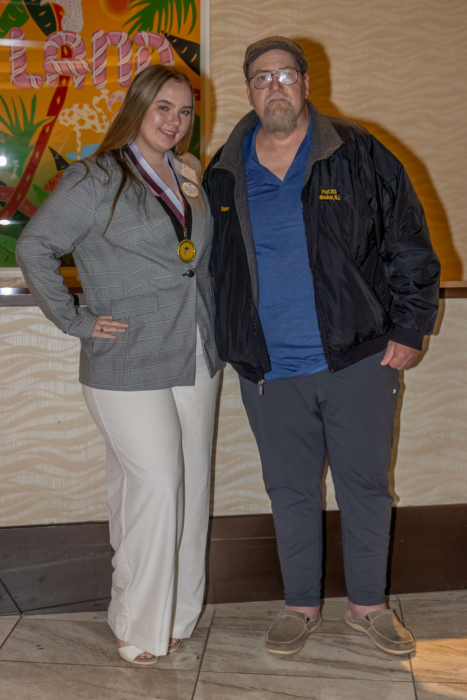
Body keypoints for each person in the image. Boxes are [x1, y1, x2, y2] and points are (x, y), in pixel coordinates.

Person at [203, 36, 440, 657]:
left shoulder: (357, 151)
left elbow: (409, 242)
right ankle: (300, 606)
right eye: (261, 78)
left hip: (357, 358)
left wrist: (410, 327)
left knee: (366, 489)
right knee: (291, 492)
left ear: (306, 83)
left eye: (285, 74)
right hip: (268, 370)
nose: (274, 87)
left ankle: (368, 607)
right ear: (249, 91)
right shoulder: (224, 169)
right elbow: (212, 267)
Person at [16, 64, 222, 665]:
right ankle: (137, 623)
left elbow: (194, 260)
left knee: (192, 487)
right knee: (155, 485)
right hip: (127, 356)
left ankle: (179, 613)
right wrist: (75, 320)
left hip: (195, 349)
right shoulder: (95, 176)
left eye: (184, 112)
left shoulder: (188, 173)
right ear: (137, 107)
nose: (174, 121)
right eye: (163, 107)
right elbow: (35, 246)